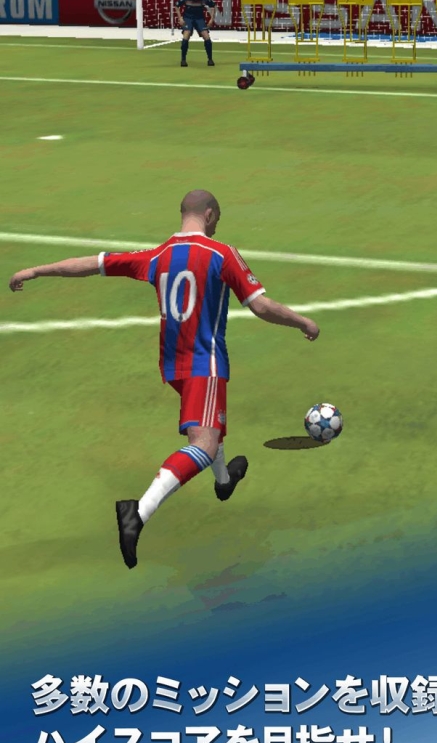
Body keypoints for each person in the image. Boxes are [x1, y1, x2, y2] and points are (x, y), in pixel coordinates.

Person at [9, 190, 320, 570]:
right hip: (205, 364)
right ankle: (138, 512)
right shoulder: (222, 254)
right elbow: (261, 305)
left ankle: (224, 481)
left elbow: (93, 263)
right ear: (210, 215)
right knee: (203, 444)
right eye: (217, 219)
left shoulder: (157, 256)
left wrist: (36, 271)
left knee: (212, 424)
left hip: (173, 364)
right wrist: (302, 322)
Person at [175, 0, 216, 67]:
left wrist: (211, 19)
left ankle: (210, 59)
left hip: (199, 18)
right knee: (186, 35)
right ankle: (183, 60)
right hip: (188, 18)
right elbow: (177, 5)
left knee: (206, 36)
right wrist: (180, 18)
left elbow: (213, 6)